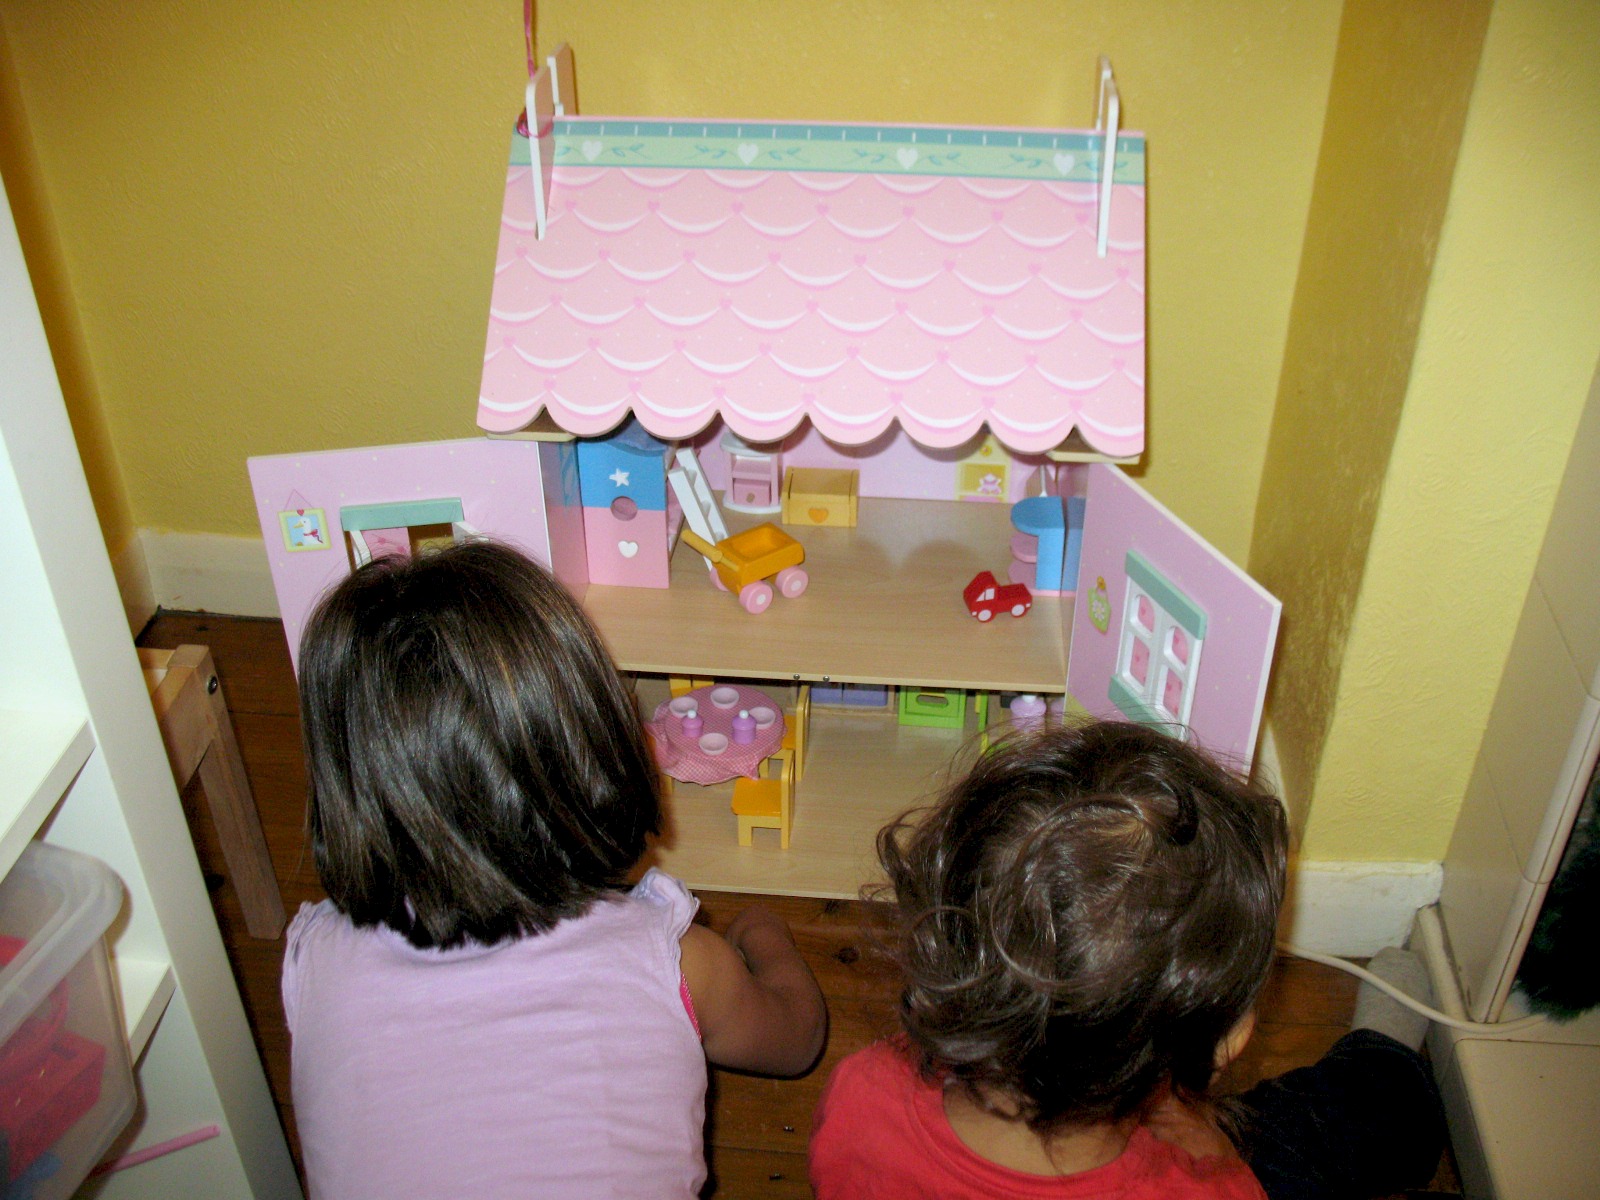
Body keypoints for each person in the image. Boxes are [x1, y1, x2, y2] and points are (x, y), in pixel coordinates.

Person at [283, 540, 826, 1200]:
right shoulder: (672, 961)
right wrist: (766, 935)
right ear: (596, 751)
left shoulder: (313, 961)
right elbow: (797, 1039)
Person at [809, 720, 1445, 1200]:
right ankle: (1386, 1069)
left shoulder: (864, 1092)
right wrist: (1210, 1151)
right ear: (1226, 1041)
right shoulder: (1205, 1190)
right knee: (1308, 1131)